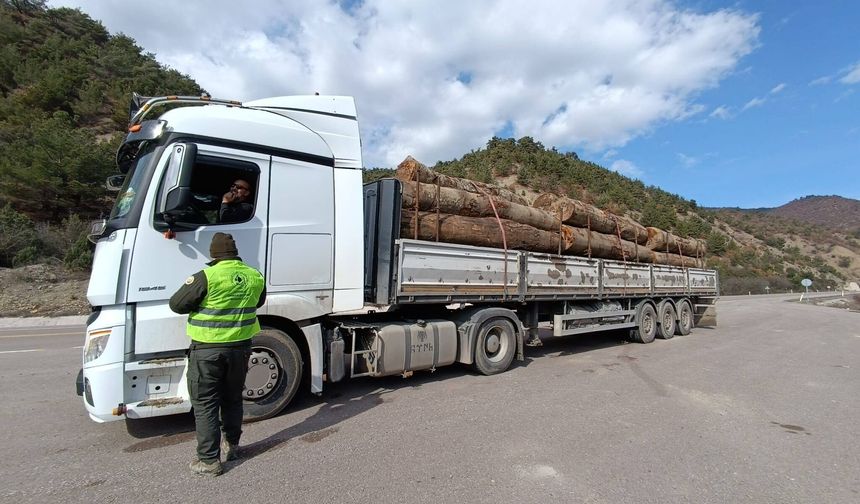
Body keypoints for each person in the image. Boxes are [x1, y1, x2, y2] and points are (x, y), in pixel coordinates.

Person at [169, 232, 266, 476]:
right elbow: (259, 301)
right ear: (234, 253)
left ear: (214, 254)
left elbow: (177, 304)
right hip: (241, 348)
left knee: (206, 404)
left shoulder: (207, 276)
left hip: (208, 350)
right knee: (232, 399)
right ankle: (232, 446)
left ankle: (209, 460)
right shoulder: (254, 275)